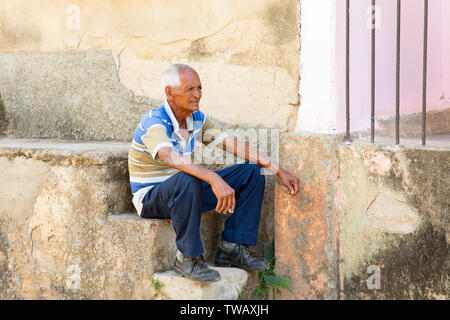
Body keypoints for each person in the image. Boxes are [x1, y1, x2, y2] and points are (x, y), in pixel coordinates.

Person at [128, 64, 300, 282]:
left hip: (185, 193)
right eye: (189, 89)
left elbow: (233, 145)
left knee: (252, 172)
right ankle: (188, 259)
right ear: (169, 92)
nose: (197, 95)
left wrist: (278, 170)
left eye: (199, 88)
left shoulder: (196, 118)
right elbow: (169, 156)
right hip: (152, 198)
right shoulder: (154, 121)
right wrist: (213, 177)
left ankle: (232, 248)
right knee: (188, 177)